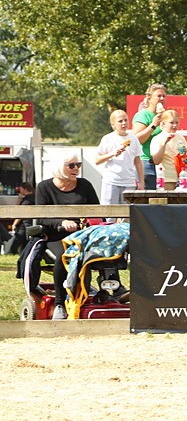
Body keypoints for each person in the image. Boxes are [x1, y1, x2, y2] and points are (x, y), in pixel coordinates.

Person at [33, 154, 100, 320]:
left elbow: (98, 212)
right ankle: (59, 303)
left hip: (83, 233)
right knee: (64, 257)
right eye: (71, 165)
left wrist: (90, 223)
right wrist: (61, 222)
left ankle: (111, 289)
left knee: (106, 250)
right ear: (59, 166)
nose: (76, 168)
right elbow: (40, 217)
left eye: (77, 164)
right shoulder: (44, 187)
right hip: (56, 235)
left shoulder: (85, 185)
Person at [94, 109, 141, 206]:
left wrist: (141, 182)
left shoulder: (133, 138)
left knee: (127, 215)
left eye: (126, 120)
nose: (124, 123)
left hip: (129, 182)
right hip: (111, 181)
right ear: (113, 125)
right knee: (109, 215)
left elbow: (138, 162)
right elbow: (97, 160)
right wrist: (112, 154)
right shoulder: (107, 139)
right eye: (120, 121)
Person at [130, 83, 168, 189]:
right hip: (146, 162)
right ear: (149, 98)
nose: (161, 98)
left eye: (164, 96)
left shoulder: (165, 115)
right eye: (158, 96)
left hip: (162, 164)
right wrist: (153, 125)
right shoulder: (143, 115)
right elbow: (136, 139)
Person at [149, 109, 187, 190]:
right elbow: (156, 161)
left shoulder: (180, 138)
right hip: (166, 179)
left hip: (182, 178)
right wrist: (164, 144)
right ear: (163, 123)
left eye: (176, 122)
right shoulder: (157, 139)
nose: (174, 125)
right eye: (171, 123)